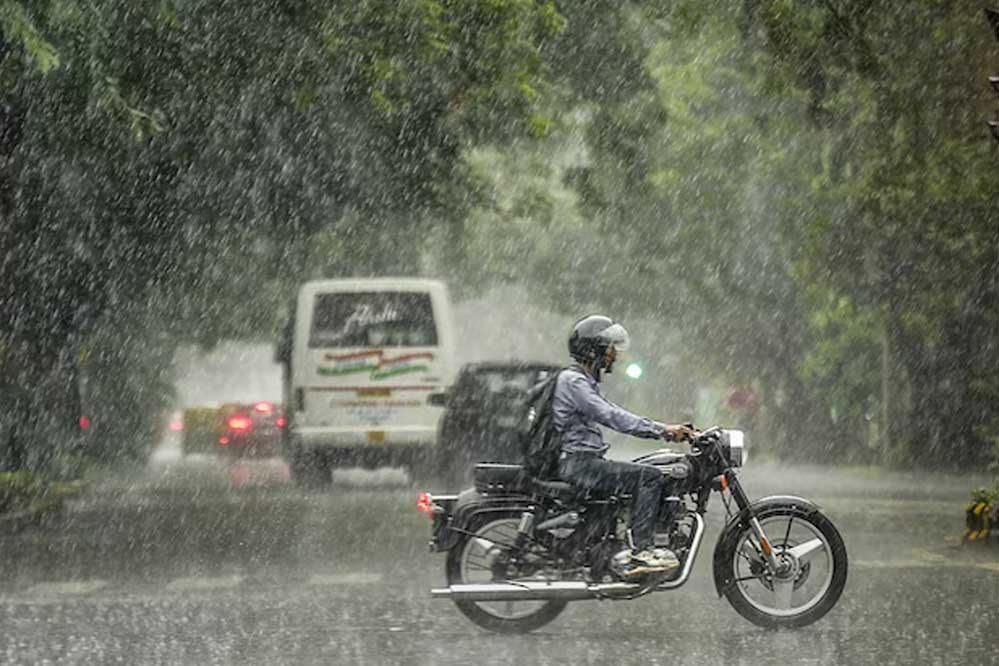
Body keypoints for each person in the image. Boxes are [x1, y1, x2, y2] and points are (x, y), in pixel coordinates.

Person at [553, 315, 695, 577]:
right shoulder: (573, 381)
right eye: (609, 349)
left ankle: (615, 544)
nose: (613, 355)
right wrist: (661, 430)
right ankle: (641, 551)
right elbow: (609, 415)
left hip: (583, 460)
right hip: (579, 463)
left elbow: (611, 410)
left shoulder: (582, 381)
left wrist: (663, 429)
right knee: (649, 477)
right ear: (593, 349)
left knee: (640, 474)